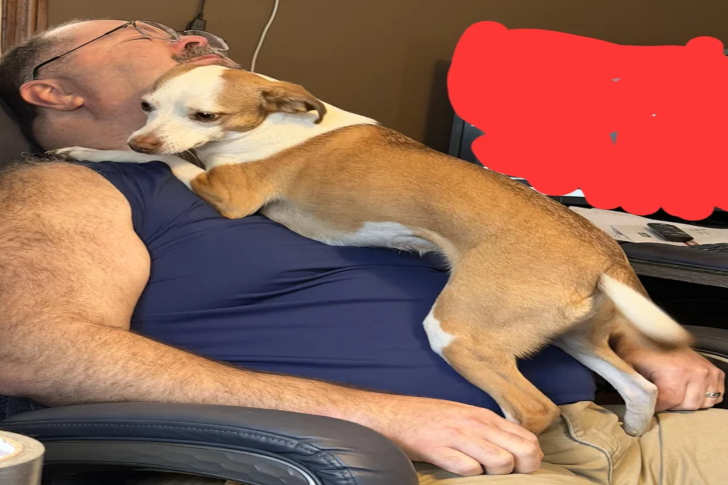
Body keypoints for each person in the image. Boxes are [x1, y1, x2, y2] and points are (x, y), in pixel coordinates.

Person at [0, 19, 725, 484]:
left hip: (616, 423)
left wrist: (645, 340)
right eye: (140, 32)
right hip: (420, 461)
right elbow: (30, 349)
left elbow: (531, 242)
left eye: (191, 35)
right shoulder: (70, 184)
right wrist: (371, 418)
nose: (193, 42)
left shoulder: (311, 154)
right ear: (54, 90)